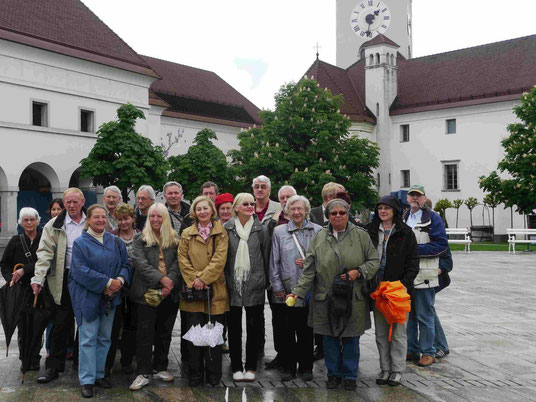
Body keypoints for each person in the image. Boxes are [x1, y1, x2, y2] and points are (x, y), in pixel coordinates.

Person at [287, 199, 379, 391]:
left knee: (351, 338)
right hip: (325, 297)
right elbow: (309, 270)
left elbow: (374, 261)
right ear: (328, 216)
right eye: (333, 213)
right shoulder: (319, 237)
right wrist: (297, 292)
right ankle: (333, 375)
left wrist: (359, 272)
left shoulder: (361, 235)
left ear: (348, 214)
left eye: (341, 213)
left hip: (353, 297)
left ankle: (350, 375)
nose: (337, 216)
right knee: (329, 339)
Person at [69, 204, 131, 398]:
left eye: (103, 217)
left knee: (105, 338)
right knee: (88, 339)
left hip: (111, 298)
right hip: (88, 297)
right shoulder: (81, 243)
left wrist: (119, 280)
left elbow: (125, 264)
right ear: (88, 219)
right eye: (96, 217)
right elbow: (80, 271)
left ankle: (99, 374)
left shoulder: (115, 241)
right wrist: (107, 282)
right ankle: (87, 380)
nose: (100, 220)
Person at [31, 188, 87, 384]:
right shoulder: (53, 225)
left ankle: (82, 365)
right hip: (63, 278)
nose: (71, 206)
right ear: (64, 203)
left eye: (75, 202)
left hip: (87, 280)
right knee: (60, 323)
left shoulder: (92, 222)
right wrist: (38, 278)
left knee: (86, 323)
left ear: (82, 201)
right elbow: (44, 253)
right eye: (68, 202)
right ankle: (53, 366)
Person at [366, 195, 419, 387]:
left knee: (398, 333)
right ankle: (385, 368)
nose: (382, 211)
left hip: (397, 290)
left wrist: (405, 284)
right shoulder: (370, 231)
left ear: (394, 211)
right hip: (377, 289)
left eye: (386, 208)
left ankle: (397, 370)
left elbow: (413, 262)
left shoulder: (406, 232)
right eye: (379, 208)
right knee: (381, 332)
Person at [129, 203, 181, 391]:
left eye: (159, 216)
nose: (155, 220)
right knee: (145, 333)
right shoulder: (140, 239)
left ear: (165, 218)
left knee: (164, 332)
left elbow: (179, 263)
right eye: (152, 216)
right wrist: (162, 280)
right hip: (146, 293)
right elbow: (140, 263)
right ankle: (143, 372)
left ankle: (161, 366)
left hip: (169, 293)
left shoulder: (175, 239)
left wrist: (170, 282)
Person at [270, 195, 322, 382]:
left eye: (300, 209)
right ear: (287, 212)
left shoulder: (318, 231)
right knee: (287, 330)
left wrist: (309, 261)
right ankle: (289, 367)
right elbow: (274, 261)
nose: (297, 212)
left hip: (309, 290)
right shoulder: (279, 232)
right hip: (287, 288)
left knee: (306, 331)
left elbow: (323, 259)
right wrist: (276, 286)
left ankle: (306, 367)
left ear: (306, 210)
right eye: (293, 209)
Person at [178, 196, 229, 386]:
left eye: (205, 208)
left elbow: (219, 260)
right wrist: (195, 280)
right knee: (194, 338)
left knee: (214, 337)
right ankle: (195, 375)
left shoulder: (221, 232)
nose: (202, 212)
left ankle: (214, 376)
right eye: (198, 209)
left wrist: (204, 279)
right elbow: (182, 259)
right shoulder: (186, 233)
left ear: (211, 211)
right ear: (194, 211)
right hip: (193, 293)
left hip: (215, 292)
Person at [403, 185, 448, 367]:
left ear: (424, 198)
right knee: (410, 315)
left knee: (425, 315)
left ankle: (428, 352)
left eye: (418, 196)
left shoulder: (433, 218)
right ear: (407, 198)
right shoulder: (404, 217)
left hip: (425, 274)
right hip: (407, 275)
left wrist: (414, 251)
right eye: (412, 195)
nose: (415, 198)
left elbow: (441, 244)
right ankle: (412, 350)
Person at [224, 193, 267, 382]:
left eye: (252, 203)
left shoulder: (261, 229)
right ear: (236, 207)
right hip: (233, 284)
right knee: (233, 327)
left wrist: (264, 280)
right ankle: (235, 366)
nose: (250, 206)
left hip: (254, 283)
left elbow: (266, 256)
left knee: (253, 327)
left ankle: (250, 366)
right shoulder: (226, 228)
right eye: (245, 204)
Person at [0, 207, 43, 371]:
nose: (29, 223)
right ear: (21, 223)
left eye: (32, 219)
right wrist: (10, 279)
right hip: (21, 290)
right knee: (23, 326)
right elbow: (4, 264)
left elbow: (45, 262)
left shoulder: (43, 239)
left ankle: (35, 357)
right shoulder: (15, 240)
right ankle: (25, 358)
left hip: (40, 289)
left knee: (37, 325)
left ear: (38, 221)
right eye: (26, 220)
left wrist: (25, 268)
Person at [308, 182, 346, 360]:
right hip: (319, 268)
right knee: (321, 311)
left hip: (340, 270)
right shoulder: (313, 214)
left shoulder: (344, 212)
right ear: (329, 197)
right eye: (339, 195)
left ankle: (340, 345)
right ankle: (320, 346)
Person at [263, 185, 297, 370]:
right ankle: (282, 355)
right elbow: (268, 250)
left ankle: (298, 357)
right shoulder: (272, 222)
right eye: (282, 197)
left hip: (298, 280)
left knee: (297, 320)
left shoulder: (305, 217)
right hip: (276, 279)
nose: (285, 200)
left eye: (288, 197)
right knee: (278, 320)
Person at [106, 203, 140, 376]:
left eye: (126, 218)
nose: (123, 222)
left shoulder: (141, 236)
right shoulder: (111, 237)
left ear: (133, 219)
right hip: (118, 286)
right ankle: (108, 363)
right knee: (114, 325)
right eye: (120, 219)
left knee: (132, 325)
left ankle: (127, 360)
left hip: (137, 286)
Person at [424, 198, 453, 360]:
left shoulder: (435, 231)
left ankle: (441, 345)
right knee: (422, 311)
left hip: (432, 278)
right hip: (419, 278)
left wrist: (436, 271)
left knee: (428, 310)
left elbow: (447, 261)